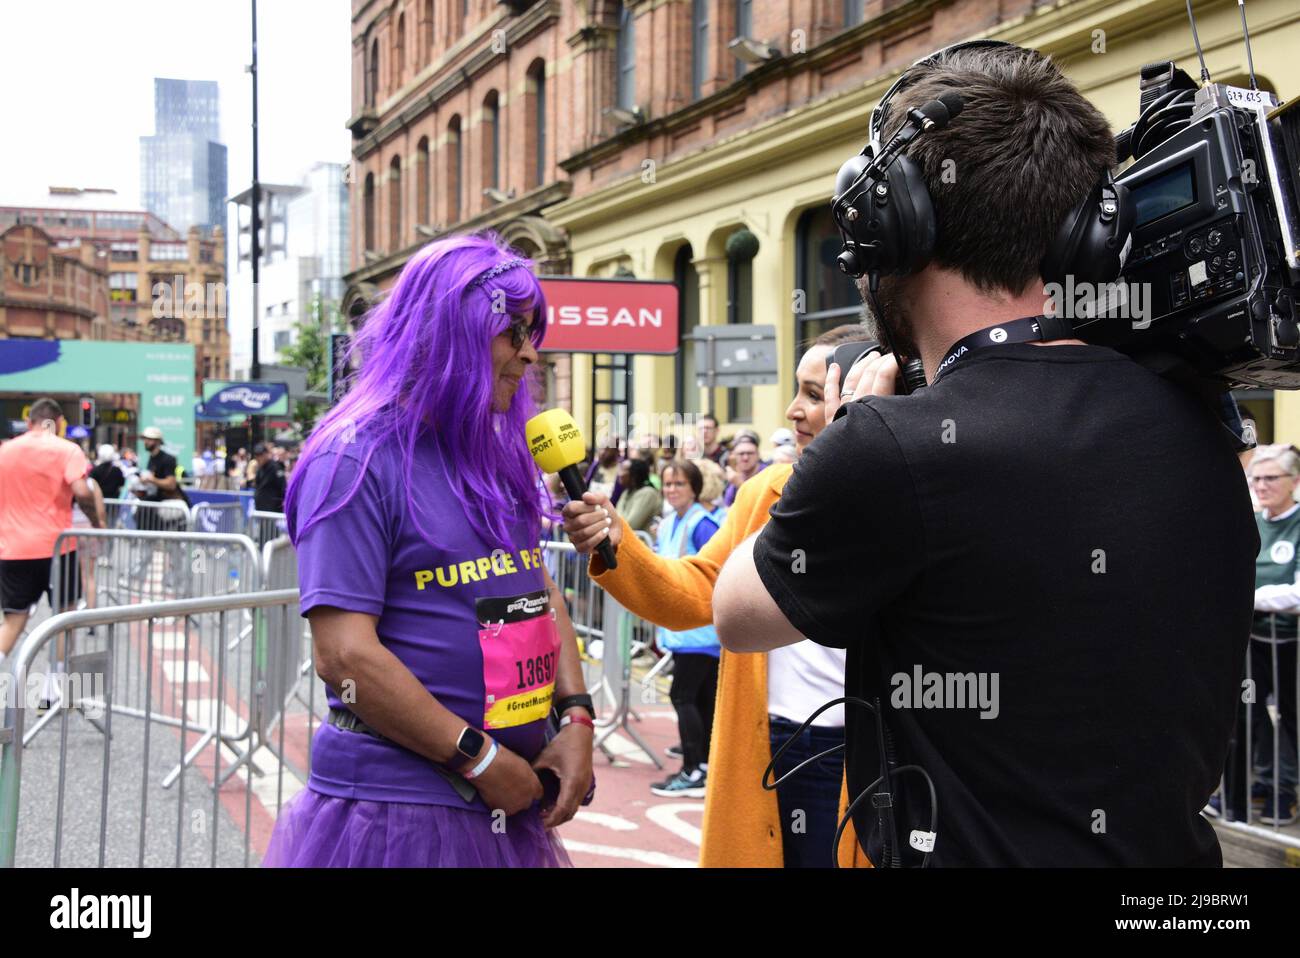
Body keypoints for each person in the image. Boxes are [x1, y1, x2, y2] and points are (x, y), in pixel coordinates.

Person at [712, 43, 1258, 867]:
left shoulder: (889, 445)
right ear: (1082, 237)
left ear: (889, 225)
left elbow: (736, 613)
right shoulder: (1199, 420)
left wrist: (850, 426)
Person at [263, 233, 593, 868]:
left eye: (533, 334)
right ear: (452, 333)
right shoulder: (352, 458)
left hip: (506, 801)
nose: (530, 355)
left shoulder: (496, 453)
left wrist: (575, 718)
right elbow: (344, 654)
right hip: (398, 814)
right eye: (512, 332)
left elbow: (536, 589)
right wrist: (478, 756)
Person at [563, 324, 870, 867]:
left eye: (817, 395)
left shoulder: (907, 490)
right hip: (766, 744)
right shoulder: (764, 492)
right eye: (797, 390)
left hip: (853, 753)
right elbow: (700, 589)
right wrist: (620, 545)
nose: (794, 410)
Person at [1215, 445, 1300, 825]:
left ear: (1294, 482)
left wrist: (1247, 597)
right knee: (1248, 720)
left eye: (1271, 478)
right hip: (1253, 644)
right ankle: (1247, 794)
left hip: (1292, 643)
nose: (1261, 485)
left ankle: (1287, 793)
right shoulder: (1253, 520)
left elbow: (1297, 595)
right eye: (1256, 478)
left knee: (1292, 720)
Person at [0, 398, 104, 666]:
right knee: (62, 619)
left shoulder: (6, 451)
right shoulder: (67, 450)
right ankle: (54, 693)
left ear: (28, 421)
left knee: (13, 621)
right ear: (58, 423)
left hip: (13, 548)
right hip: (58, 548)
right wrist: (96, 523)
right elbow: (82, 491)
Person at [648, 459, 721, 798]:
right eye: (668, 484)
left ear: (693, 487)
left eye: (679, 484)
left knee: (683, 696)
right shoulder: (670, 524)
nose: (672, 490)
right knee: (701, 699)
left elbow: (717, 571)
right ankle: (703, 765)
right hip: (687, 630)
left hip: (699, 630)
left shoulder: (699, 524)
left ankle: (693, 768)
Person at [615, 457, 661, 534]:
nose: (619, 473)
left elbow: (630, 525)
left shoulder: (648, 493)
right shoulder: (626, 492)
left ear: (634, 475)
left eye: (623, 469)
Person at [722, 430, 765, 507]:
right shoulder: (733, 473)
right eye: (741, 454)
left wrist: (740, 484)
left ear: (758, 455)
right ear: (734, 455)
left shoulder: (767, 473)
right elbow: (727, 505)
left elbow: (763, 504)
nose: (745, 458)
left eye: (750, 453)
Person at [252, 442, 287, 513]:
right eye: (256, 455)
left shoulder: (275, 468)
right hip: (260, 508)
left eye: (260, 455)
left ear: (266, 454)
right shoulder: (260, 468)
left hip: (272, 509)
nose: (258, 458)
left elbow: (283, 486)